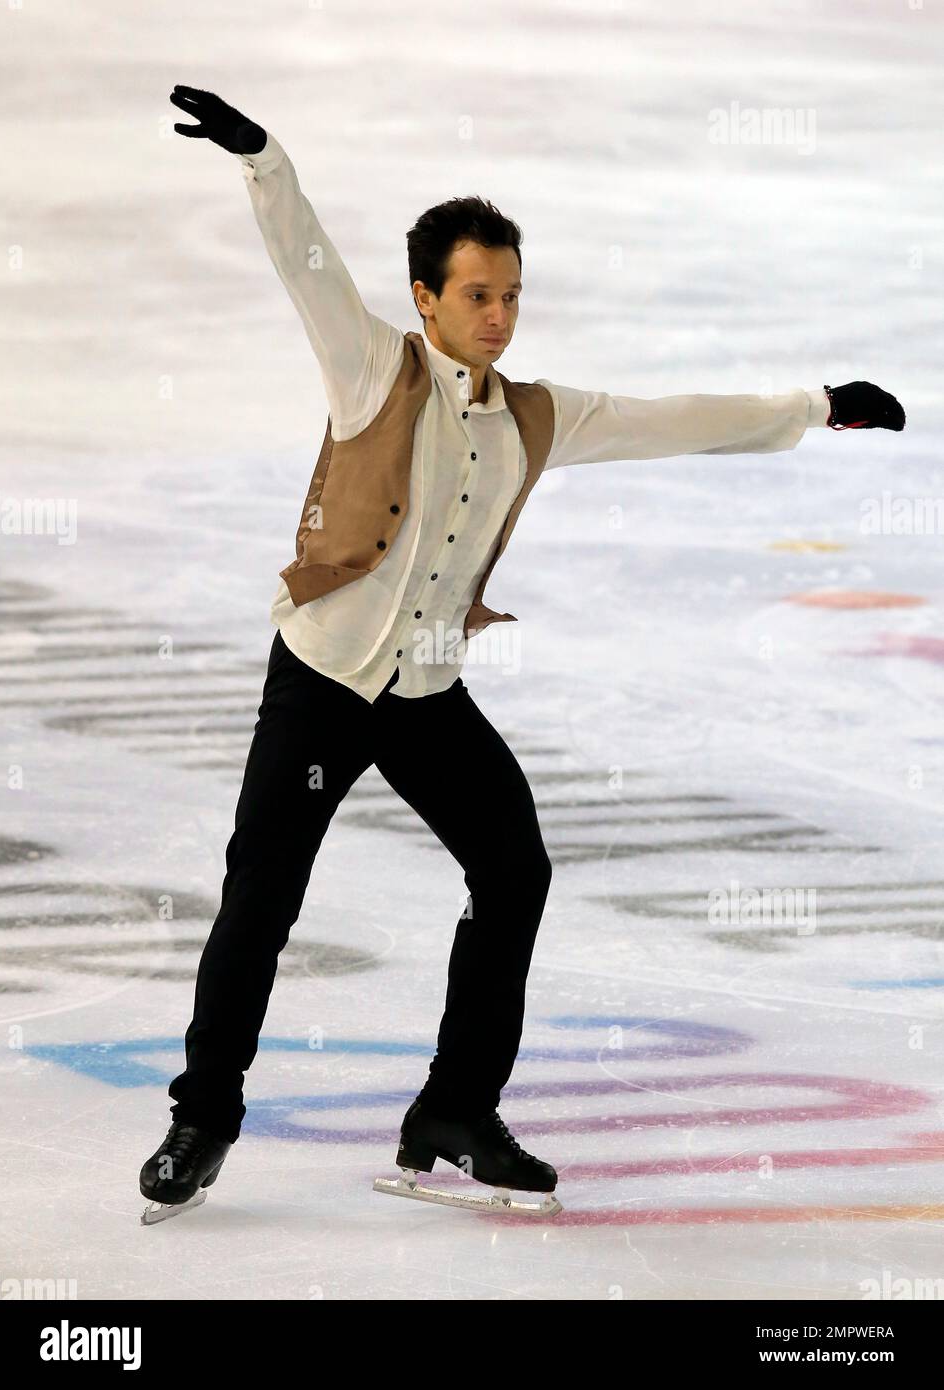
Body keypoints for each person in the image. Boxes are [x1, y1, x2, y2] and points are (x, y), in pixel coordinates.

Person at [140, 86, 906, 1220]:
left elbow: (674, 416)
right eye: (477, 295)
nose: (498, 316)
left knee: (514, 868)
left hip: (427, 689)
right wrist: (262, 157)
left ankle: (454, 1108)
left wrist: (817, 402)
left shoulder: (538, 415)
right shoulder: (372, 369)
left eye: (509, 295)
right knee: (265, 887)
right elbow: (304, 262)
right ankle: (203, 1114)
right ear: (426, 298)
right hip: (325, 679)